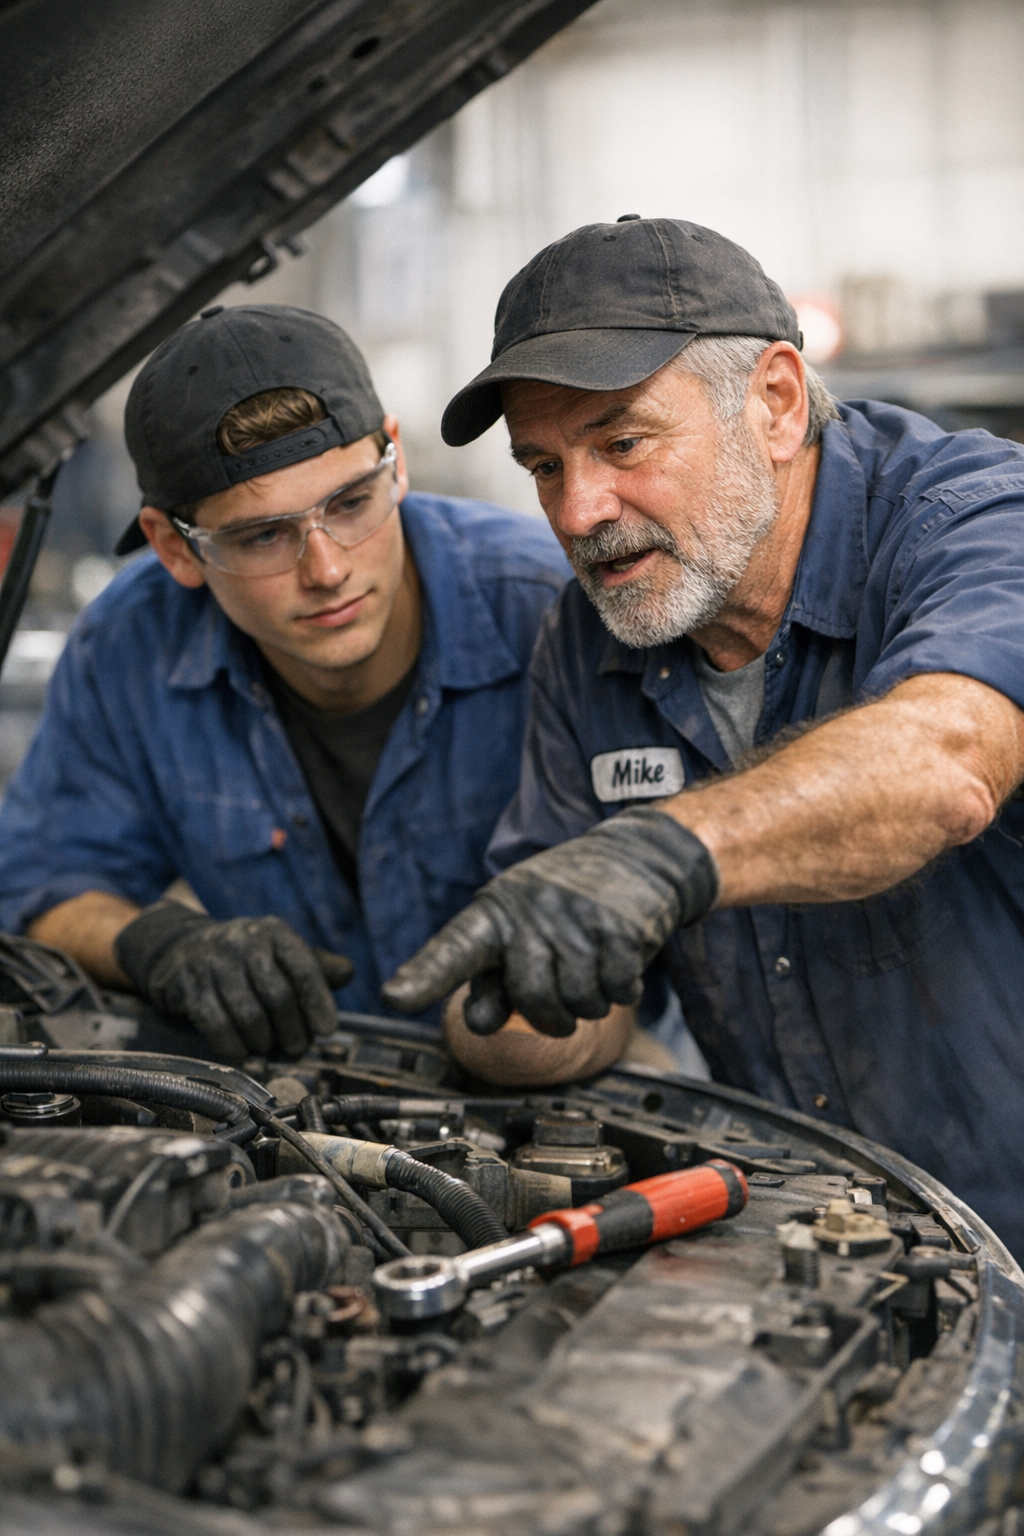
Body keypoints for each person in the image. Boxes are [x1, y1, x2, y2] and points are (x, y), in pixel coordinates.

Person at [383, 216, 1024, 1259]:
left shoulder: (977, 521)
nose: (580, 511)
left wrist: (662, 854)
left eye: (623, 443)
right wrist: (509, 1011)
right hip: (824, 1263)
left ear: (772, 401)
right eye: (544, 466)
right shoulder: (590, 637)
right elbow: (587, 1000)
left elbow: (943, 759)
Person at [0, 303, 575, 1067]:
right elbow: (43, 886)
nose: (327, 569)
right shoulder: (129, 646)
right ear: (173, 546)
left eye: (350, 504)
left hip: (584, 1091)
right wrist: (157, 942)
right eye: (262, 535)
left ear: (394, 460)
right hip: (304, 1112)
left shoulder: (547, 605)